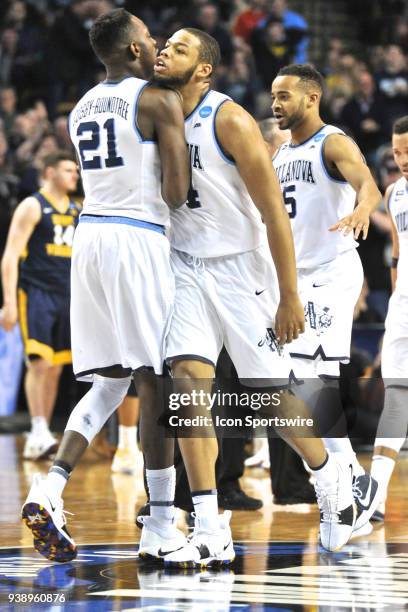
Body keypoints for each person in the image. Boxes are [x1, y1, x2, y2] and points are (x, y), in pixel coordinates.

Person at [152, 28, 359, 566]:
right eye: (163, 45)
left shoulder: (230, 119)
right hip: (184, 268)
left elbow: (273, 212)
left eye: (178, 48)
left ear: (203, 69)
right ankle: (208, 523)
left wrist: (289, 295)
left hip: (243, 269)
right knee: (188, 385)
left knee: (268, 396)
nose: (163, 52)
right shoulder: (153, 114)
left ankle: (332, 477)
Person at [20, 8, 189, 563]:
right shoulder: (158, 101)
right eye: (149, 36)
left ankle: (51, 485)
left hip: (89, 239)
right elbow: (175, 191)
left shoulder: (81, 107)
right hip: (136, 237)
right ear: (135, 50)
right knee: (157, 380)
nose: (156, 41)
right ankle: (161, 520)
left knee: (110, 381)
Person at [271, 63, 382, 530]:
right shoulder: (278, 156)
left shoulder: (332, 141)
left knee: (306, 378)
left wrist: (361, 210)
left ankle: (348, 480)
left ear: (312, 98)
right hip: (297, 279)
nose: (276, 104)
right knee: (302, 380)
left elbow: (368, 185)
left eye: (285, 96)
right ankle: (355, 481)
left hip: (332, 273)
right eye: (273, 96)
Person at [1, 150, 79, 460]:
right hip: (36, 292)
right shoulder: (33, 206)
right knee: (40, 363)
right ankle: (36, 428)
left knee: (57, 368)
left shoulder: (76, 210)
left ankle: (42, 431)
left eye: (75, 170)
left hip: (67, 294)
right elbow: (10, 256)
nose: (75, 175)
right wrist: (8, 301)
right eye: (67, 170)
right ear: (48, 172)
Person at [370, 115, 408, 522]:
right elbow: (396, 253)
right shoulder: (394, 192)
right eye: (398, 152)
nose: (402, 159)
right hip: (403, 306)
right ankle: (375, 495)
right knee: (396, 395)